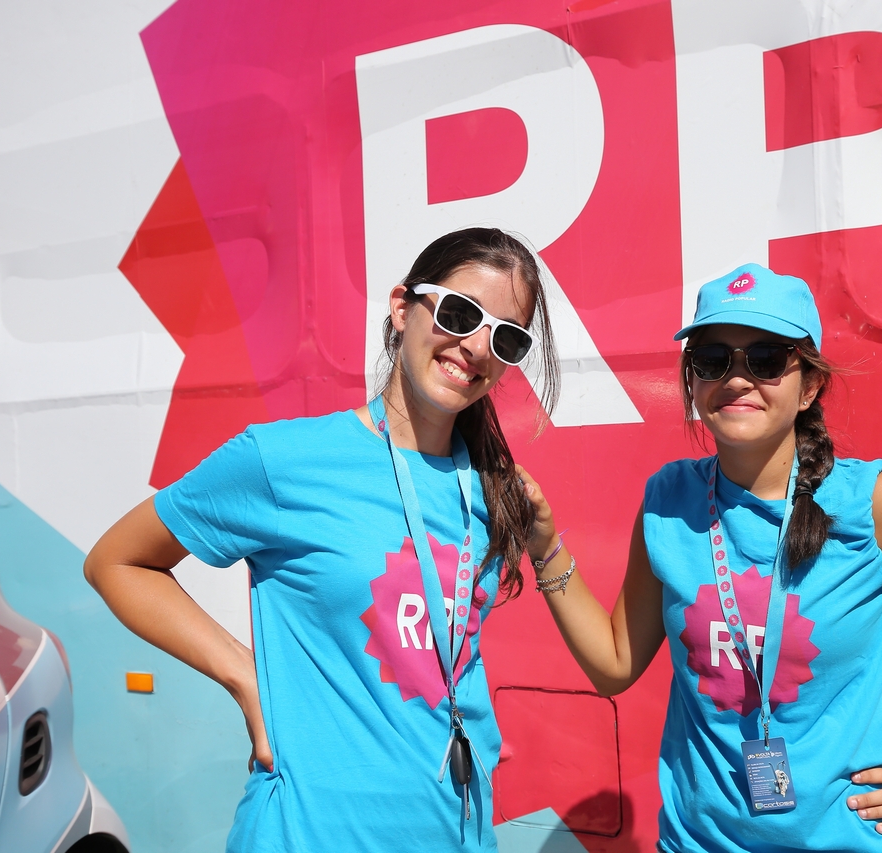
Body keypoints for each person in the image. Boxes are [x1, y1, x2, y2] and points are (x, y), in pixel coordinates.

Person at [518, 264, 882, 852]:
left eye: (766, 359)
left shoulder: (874, 505)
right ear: (693, 380)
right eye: (713, 359)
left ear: (810, 387)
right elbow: (615, 664)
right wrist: (545, 549)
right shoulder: (669, 500)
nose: (737, 379)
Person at [85, 227, 560, 851]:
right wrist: (245, 677)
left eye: (506, 337)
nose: (475, 347)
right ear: (402, 308)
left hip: (454, 831)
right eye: (459, 313)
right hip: (307, 832)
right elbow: (117, 562)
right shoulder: (282, 460)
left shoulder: (492, 489)